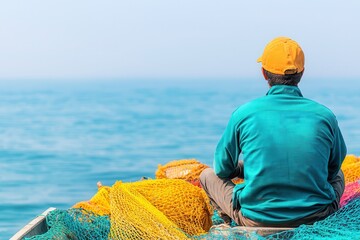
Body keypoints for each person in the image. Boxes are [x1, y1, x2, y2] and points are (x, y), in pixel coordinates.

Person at [200, 37, 347, 227]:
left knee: (207, 175)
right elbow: (332, 169)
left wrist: (243, 170)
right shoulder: (325, 116)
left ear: (263, 73)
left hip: (256, 220)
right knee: (340, 174)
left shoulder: (244, 113)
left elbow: (222, 169)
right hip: (316, 216)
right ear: (302, 72)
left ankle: (229, 222)